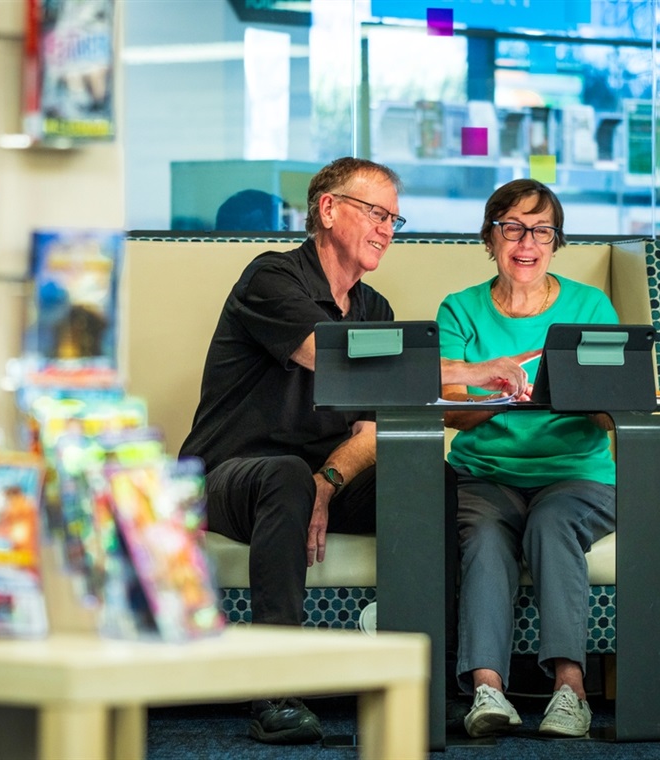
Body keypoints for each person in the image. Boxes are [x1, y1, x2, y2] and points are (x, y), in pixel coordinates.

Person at [179, 156, 529, 745]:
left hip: (309, 480)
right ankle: (275, 691)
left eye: (395, 218)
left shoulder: (375, 310)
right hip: (228, 479)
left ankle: (427, 683)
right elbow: (331, 357)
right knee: (286, 476)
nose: (387, 228)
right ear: (329, 209)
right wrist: (472, 369)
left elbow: (371, 428)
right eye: (376, 212)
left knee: (429, 480)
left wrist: (329, 481)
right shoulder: (271, 279)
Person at [436, 178, 618, 739]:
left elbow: (612, 415)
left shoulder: (590, 307)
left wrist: (586, 393)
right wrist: (498, 388)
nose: (527, 242)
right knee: (485, 536)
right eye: (512, 227)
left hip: (578, 478)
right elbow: (451, 412)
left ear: (556, 242)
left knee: (551, 522)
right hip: (485, 476)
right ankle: (488, 690)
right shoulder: (459, 310)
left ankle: (571, 691)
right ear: (490, 238)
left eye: (542, 230)